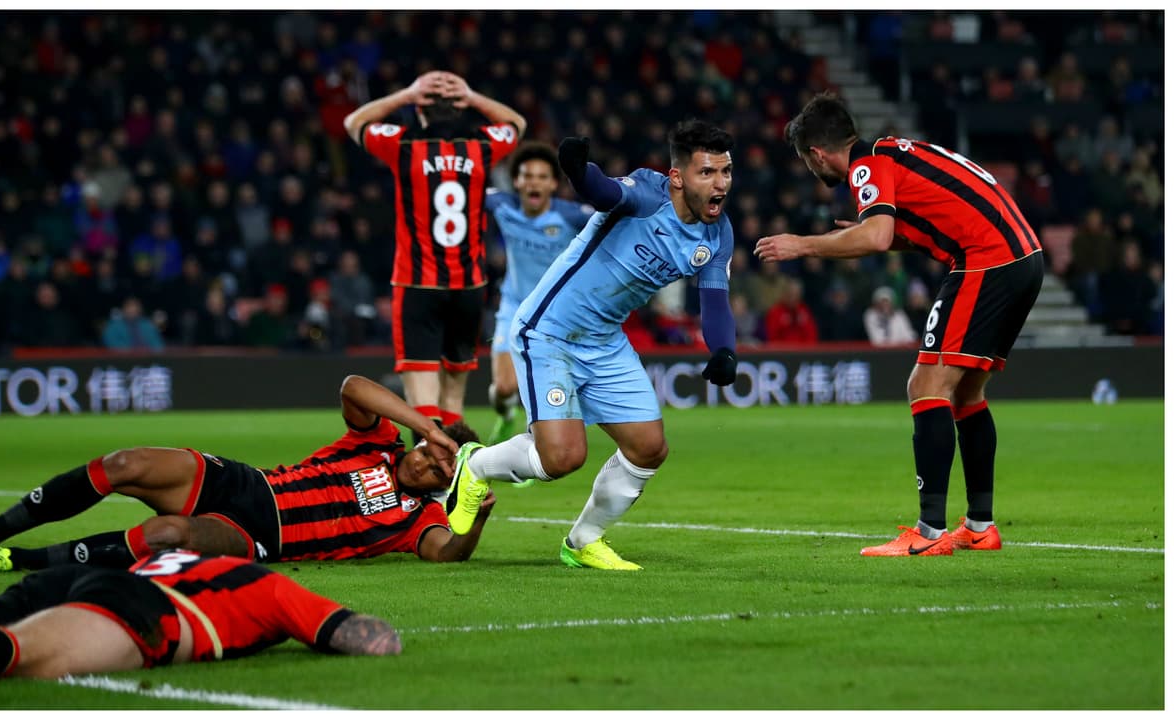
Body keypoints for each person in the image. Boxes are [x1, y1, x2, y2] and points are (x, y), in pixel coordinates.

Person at [754, 92, 1043, 557]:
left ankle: (928, 534)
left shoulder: (865, 166)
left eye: (808, 163)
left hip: (987, 259)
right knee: (967, 392)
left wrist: (803, 245)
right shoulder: (894, 152)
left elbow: (876, 234)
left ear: (816, 153)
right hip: (1024, 256)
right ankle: (979, 525)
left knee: (925, 384)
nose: (813, 173)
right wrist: (875, 233)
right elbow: (908, 229)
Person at [447, 120, 739, 571]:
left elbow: (715, 301)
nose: (720, 184)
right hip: (549, 332)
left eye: (725, 172)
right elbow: (605, 193)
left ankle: (583, 541)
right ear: (678, 176)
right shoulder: (648, 194)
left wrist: (723, 350)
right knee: (562, 458)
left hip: (605, 342)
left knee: (648, 447)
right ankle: (475, 464)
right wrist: (577, 170)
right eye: (707, 173)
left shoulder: (717, 234)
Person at [0, 375, 495, 574]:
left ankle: (6, 562)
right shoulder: (374, 439)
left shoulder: (420, 517)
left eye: (442, 465)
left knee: (169, 535)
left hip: (263, 537)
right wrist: (428, 423)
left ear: (449, 481)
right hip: (248, 484)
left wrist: (476, 523)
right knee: (124, 464)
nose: (427, 460)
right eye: (430, 449)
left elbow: (445, 554)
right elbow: (352, 388)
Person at [343, 70, 526, 436]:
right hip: (469, 287)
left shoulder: (404, 145)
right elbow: (516, 123)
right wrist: (471, 95)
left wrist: (406, 93)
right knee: (453, 402)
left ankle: (431, 481)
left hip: (418, 285)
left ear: (420, 111)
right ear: (458, 112)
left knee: (422, 405)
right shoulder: (479, 147)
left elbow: (354, 122)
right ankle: (460, 481)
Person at [0, 550, 399, 682]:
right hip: (143, 606)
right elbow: (371, 641)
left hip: (97, 578)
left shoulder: (174, 557)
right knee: (19, 654)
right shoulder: (269, 586)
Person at [483, 142, 594, 444]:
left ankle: (536, 450)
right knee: (504, 388)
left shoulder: (572, 217)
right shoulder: (501, 205)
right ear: (516, 181)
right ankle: (506, 416)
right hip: (513, 306)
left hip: (555, 316)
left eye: (542, 176)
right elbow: (463, 195)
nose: (534, 182)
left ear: (553, 184)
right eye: (527, 176)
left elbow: (614, 222)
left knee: (548, 389)